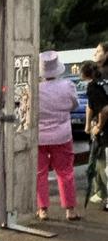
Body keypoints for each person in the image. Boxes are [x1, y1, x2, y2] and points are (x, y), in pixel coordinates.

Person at [36, 51, 80, 222]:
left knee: (40, 173)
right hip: (62, 135)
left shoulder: (35, 89)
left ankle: (42, 209)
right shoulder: (67, 85)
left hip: (39, 136)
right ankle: (70, 210)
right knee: (65, 172)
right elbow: (74, 104)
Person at [80, 60, 108, 211]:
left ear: (84, 74)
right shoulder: (103, 81)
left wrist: (98, 126)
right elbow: (91, 106)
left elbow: (104, 109)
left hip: (105, 131)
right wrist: (87, 124)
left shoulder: (93, 87)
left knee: (103, 164)